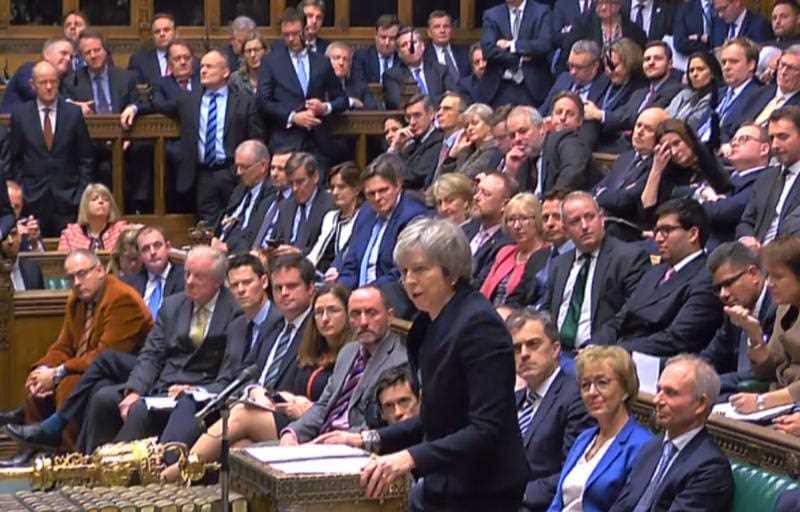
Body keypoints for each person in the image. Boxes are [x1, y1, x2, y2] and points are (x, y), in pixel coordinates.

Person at [343, 218, 529, 510]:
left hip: (484, 490)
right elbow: (437, 416)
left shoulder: (479, 326)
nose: (409, 281)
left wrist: (410, 457)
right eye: (404, 272)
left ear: (451, 272)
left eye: (420, 269)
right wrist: (369, 439)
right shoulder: (426, 324)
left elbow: (486, 428)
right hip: (442, 482)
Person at [159, 264, 352, 482]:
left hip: (306, 424)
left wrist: (297, 405)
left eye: (333, 311)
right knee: (238, 448)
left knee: (242, 415)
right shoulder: (288, 331)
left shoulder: (350, 353)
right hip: (277, 411)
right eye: (279, 288)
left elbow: (334, 405)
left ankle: (170, 475)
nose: (324, 318)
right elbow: (248, 372)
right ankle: (175, 476)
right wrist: (259, 392)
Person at [77, 246, 241, 452]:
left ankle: (113, 464)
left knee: (140, 411)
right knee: (104, 398)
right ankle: (86, 460)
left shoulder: (235, 311)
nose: (189, 281)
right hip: (162, 386)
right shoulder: (172, 305)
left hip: (196, 395)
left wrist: (196, 391)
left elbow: (229, 373)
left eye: (198, 277)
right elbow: (151, 354)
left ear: (218, 281)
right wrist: (135, 390)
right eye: (187, 274)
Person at [0, 250, 152, 464]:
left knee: (68, 384)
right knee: (38, 380)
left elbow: (106, 354)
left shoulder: (122, 299)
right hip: (88, 367)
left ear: (100, 270)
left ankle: (69, 458)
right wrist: (44, 369)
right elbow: (64, 345)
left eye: (82, 274)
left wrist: (57, 373)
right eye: (71, 277)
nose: (77, 282)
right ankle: (33, 452)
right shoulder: (77, 300)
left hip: (123, 372)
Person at [590, 198, 724, 356]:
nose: (658, 239)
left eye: (666, 230)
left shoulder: (707, 277)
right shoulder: (654, 272)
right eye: (657, 232)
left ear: (693, 234)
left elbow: (678, 339)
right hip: (623, 354)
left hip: (661, 363)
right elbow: (620, 319)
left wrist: (613, 353)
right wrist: (594, 346)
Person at [280, 285, 408, 446]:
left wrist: (342, 440)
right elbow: (323, 405)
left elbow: (382, 424)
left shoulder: (400, 359)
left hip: (357, 447)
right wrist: (293, 432)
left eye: (371, 313)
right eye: (355, 314)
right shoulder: (348, 352)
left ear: (389, 316)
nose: (363, 322)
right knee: (248, 452)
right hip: (322, 440)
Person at [608, 355, 734, 512]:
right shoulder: (651, 448)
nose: (657, 400)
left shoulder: (710, 468)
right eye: (659, 390)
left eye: (670, 393)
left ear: (700, 404)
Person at [160, 48, 264, 222]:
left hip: (233, 173)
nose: (203, 71)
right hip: (202, 175)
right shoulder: (188, 100)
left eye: (209, 67)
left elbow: (256, 137)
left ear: (225, 72)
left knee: (237, 223)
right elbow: (158, 105)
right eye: (201, 66)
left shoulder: (244, 101)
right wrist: (133, 108)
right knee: (208, 228)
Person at [504, 309, 593, 511]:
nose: (524, 354)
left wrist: (515, 493)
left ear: (555, 349)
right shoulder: (513, 400)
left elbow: (573, 471)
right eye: (517, 349)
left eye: (533, 344)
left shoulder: (576, 397)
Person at [548, 346, 653, 512]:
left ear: (625, 389)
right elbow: (557, 502)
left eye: (602, 383)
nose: (591, 392)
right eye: (585, 385)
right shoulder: (584, 439)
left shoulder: (642, 445)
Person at [543, 191, 650, 353]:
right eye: (575, 221)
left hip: (600, 353)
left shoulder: (629, 258)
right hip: (556, 353)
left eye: (590, 217)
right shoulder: (560, 264)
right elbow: (547, 309)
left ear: (602, 218)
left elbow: (630, 313)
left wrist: (595, 346)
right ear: (565, 229)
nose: (585, 226)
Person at [8, 60, 93, 237]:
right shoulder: (20, 115)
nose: (48, 87)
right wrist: (23, 190)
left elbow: (85, 158)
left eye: (53, 82)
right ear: (33, 85)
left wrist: (80, 194)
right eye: (43, 82)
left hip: (68, 199)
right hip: (32, 199)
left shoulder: (73, 113)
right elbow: (14, 158)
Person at [258, 8, 347, 172]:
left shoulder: (322, 62)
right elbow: (263, 101)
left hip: (318, 143)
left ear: (306, 30)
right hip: (285, 142)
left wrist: (324, 107)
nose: (290, 39)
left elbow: (342, 99)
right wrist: (293, 116)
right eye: (286, 35)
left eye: (295, 33)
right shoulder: (271, 62)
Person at [727, 236, 800, 414]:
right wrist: (755, 335)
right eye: (768, 275)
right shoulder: (784, 308)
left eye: (778, 277)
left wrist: (762, 402)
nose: (769, 284)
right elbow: (767, 372)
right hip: (779, 402)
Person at [333, 154, 427, 290]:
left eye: (383, 190)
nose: (377, 198)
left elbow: (400, 272)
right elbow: (351, 264)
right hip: (358, 296)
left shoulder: (413, 217)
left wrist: (364, 294)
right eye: (371, 194)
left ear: (398, 186)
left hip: (392, 295)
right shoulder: (366, 212)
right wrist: (340, 293)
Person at [701, 242, 775, 395]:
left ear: (753, 274)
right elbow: (714, 355)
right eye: (718, 289)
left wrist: (702, 382)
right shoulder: (734, 310)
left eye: (728, 283)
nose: (723, 294)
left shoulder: (778, 307)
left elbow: (763, 372)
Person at [639, 119, 731, 225]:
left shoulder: (710, 162)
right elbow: (647, 211)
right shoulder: (668, 172)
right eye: (667, 148)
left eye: (677, 143)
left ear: (688, 139)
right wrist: (656, 170)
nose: (674, 152)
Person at [594, 107, 670, 235]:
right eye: (638, 125)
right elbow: (600, 186)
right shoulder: (626, 157)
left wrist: (600, 195)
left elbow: (624, 201)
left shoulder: (659, 164)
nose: (640, 132)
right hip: (603, 220)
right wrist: (600, 194)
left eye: (648, 129)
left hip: (627, 230)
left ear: (660, 137)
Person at [737, 106, 800, 252]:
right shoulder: (766, 177)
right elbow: (746, 222)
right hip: (756, 260)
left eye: (783, 137)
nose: (775, 145)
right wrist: (747, 239)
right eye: (772, 138)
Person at [701, 124, 771, 248]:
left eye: (743, 139)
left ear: (764, 149)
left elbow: (723, 212)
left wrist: (710, 197)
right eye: (733, 139)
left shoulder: (766, 179)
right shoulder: (728, 174)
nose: (734, 144)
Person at [507, 189, 576, 308]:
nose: (550, 223)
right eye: (545, 218)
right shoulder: (538, 256)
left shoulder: (580, 257)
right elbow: (518, 296)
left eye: (557, 217)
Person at [480, 0, 554, 108]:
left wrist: (513, 45)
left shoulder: (542, 11)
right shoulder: (492, 14)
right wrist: (518, 59)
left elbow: (544, 44)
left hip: (531, 88)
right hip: (500, 87)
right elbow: (488, 49)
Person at [480, 193, 548, 305]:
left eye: (524, 218)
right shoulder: (505, 252)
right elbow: (484, 290)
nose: (517, 226)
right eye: (511, 220)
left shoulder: (547, 255)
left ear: (537, 219)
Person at [211, 140, 276, 253]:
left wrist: (228, 247)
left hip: (241, 252)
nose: (239, 172)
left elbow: (254, 229)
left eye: (244, 167)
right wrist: (215, 237)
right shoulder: (241, 189)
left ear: (263, 166)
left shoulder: (272, 192)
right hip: (221, 247)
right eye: (237, 166)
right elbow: (227, 215)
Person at [274, 152, 335, 255]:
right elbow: (280, 240)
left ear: (315, 177)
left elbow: (330, 250)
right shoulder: (285, 206)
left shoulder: (330, 205)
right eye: (291, 183)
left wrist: (300, 253)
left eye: (300, 182)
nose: (295, 188)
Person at [307, 161, 364, 273]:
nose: (335, 192)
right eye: (332, 187)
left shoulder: (362, 217)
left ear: (356, 189)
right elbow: (316, 252)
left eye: (341, 187)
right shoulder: (330, 217)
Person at [382, 26, 456, 110]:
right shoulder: (392, 75)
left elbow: (453, 97)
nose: (410, 48)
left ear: (422, 46)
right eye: (404, 45)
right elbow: (397, 103)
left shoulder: (440, 70)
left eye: (413, 42)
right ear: (399, 54)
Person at [539, 92, 597, 193]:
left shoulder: (575, 143)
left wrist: (553, 197)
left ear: (580, 121)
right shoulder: (544, 141)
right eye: (558, 112)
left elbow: (571, 173)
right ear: (551, 117)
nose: (562, 118)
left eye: (570, 114)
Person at [122, 226, 185, 318]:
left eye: (157, 245)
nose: (152, 252)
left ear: (168, 247)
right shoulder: (129, 285)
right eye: (146, 249)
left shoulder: (184, 278)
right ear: (140, 256)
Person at [464, 171, 514, 286]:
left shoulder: (507, 243)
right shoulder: (465, 229)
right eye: (478, 191)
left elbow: (480, 284)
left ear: (504, 204)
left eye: (485, 194)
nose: (476, 197)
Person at [562, 0, 647, 68]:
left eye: (608, 2)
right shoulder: (583, 25)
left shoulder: (634, 31)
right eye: (599, 3)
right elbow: (565, 56)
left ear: (619, 4)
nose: (603, 7)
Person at [0, 38, 74, 114]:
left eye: (71, 57)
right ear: (46, 54)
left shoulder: (64, 79)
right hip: (10, 122)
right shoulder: (28, 70)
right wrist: (71, 105)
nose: (68, 59)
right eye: (63, 53)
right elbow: (41, 94)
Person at [388, 94, 444, 191]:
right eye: (409, 117)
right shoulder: (412, 143)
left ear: (431, 114)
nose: (412, 122)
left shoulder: (438, 141)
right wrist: (395, 147)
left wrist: (394, 152)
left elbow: (413, 178)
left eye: (417, 115)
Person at [713, 38, 764, 143]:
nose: (726, 67)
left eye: (733, 61)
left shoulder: (758, 96)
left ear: (751, 65)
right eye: (724, 62)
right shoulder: (718, 93)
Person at [541, 40, 609, 117]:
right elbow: (543, 110)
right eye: (570, 65)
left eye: (579, 67)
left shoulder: (606, 86)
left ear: (595, 66)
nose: (572, 72)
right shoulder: (564, 78)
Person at [438, 103, 504, 179]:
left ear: (489, 124)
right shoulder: (466, 150)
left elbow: (462, 180)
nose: (469, 128)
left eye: (475, 123)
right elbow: (440, 179)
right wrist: (453, 154)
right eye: (466, 126)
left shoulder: (493, 150)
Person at [57, 183, 128, 252]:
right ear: (85, 206)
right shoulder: (70, 234)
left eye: (106, 199)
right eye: (94, 199)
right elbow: (61, 262)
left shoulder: (122, 231)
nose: (101, 201)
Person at [741, 45, 800, 125]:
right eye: (782, 65)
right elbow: (736, 124)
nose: (783, 72)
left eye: (791, 68)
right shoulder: (758, 93)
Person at [666, 51, 722, 132]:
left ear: (712, 72)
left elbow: (692, 124)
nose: (694, 74)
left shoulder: (718, 97)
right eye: (691, 70)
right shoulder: (684, 94)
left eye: (700, 69)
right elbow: (665, 117)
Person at [127, 13, 183, 86]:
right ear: (152, 36)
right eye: (157, 32)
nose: (162, 34)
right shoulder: (139, 61)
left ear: (176, 33)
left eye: (166, 30)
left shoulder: (190, 60)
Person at [326, 42, 379, 111]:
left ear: (350, 64)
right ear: (326, 61)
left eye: (345, 59)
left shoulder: (359, 85)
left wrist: (360, 106)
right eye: (337, 58)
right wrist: (351, 102)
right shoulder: (318, 85)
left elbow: (373, 108)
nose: (341, 63)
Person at [422, 10, 470, 81]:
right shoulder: (423, 56)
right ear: (429, 33)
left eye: (446, 26)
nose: (442, 30)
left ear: (451, 30)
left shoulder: (465, 53)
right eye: (437, 27)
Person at [352, 14, 400, 85]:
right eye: (383, 37)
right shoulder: (361, 58)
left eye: (392, 38)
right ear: (376, 36)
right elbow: (359, 87)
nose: (387, 43)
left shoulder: (402, 59)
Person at [7, 180, 46, 252]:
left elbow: (42, 261)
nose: (12, 212)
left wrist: (34, 242)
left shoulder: (27, 226)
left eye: (17, 207)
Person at [2, 226, 44, 292]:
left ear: (20, 237)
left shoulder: (33, 269)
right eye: (4, 237)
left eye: (13, 234)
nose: (10, 241)